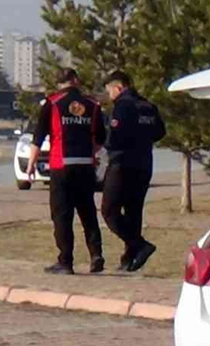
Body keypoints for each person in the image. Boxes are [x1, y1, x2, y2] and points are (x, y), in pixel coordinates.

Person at [26, 68, 106, 274]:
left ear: (59, 83)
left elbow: (38, 137)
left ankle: (66, 261)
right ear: (76, 81)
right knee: (88, 212)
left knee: (62, 215)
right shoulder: (93, 104)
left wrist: (31, 164)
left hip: (61, 166)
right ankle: (96, 254)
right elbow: (100, 138)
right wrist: (89, 152)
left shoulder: (52, 103)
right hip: (85, 166)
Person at [102, 70, 166, 271]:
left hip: (122, 164)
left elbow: (114, 137)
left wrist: (109, 146)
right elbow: (160, 132)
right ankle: (130, 259)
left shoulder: (123, 106)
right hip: (144, 163)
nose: (109, 96)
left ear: (118, 87)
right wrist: (142, 140)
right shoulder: (148, 106)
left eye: (110, 91)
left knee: (109, 211)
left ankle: (139, 245)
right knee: (133, 211)